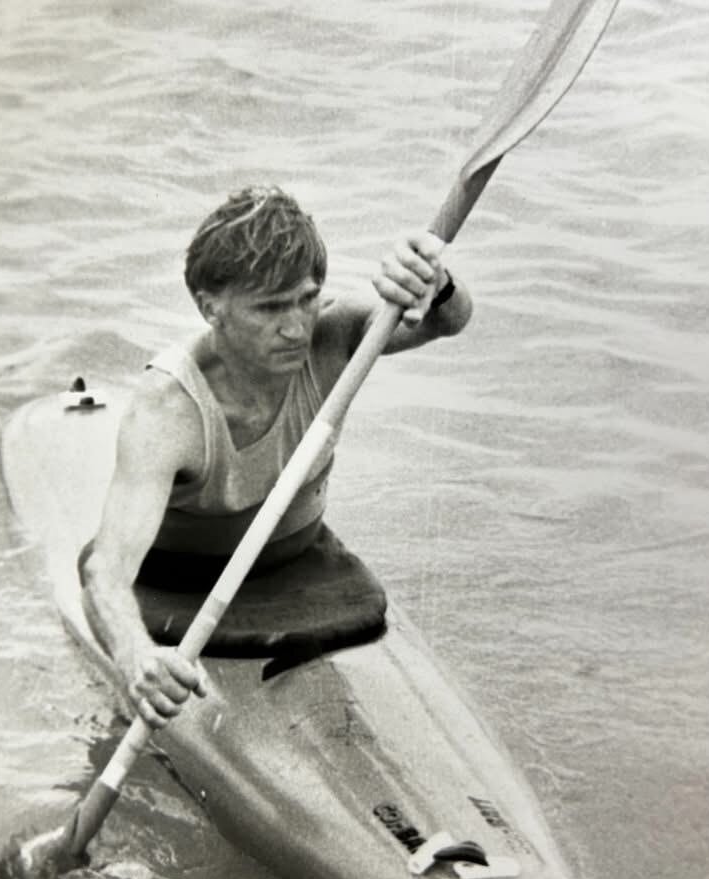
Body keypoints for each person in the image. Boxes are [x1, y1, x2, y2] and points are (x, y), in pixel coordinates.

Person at [80, 185, 473, 729]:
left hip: (296, 566)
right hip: (179, 586)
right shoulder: (168, 409)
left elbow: (447, 321)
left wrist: (437, 285)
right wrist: (136, 658)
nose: (295, 327)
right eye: (269, 308)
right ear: (210, 307)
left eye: (306, 299)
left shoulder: (335, 335)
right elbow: (106, 573)